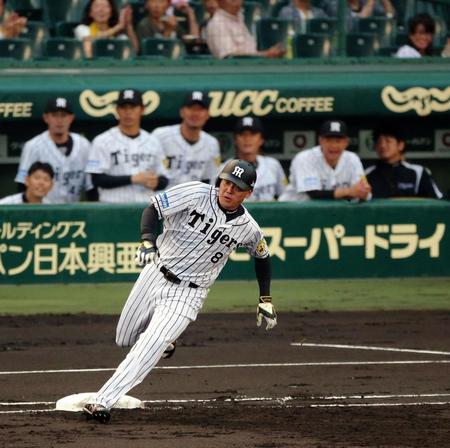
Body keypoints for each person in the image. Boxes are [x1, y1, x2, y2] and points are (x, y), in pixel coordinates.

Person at [82, 159, 277, 423]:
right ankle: (166, 343)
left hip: (188, 294)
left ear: (248, 193)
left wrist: (265, 298)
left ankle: (103, 400)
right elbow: (153, 208)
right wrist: (147, 240)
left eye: (237, 187)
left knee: (149, 345)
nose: (229, 189)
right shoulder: (195, 192)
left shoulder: (248, 228)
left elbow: (262, 256)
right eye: (226, 182)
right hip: (155, 272)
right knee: (124, 338)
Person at [86, 88, 168, 203]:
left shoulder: (153, 141)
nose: (128, 112)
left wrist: (157, 182)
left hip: (145, 205)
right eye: (124, 107)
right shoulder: (102, 141)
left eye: (133, 107)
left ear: (142, 110)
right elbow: (97, 179)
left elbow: (164, 179)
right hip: (112, 205)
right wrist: (133, 179)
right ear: (117, 110)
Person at [15, 97, 95, 204]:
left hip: (74, 209)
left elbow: (91, 186)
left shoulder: (84, 145)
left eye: (63, 115)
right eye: (54, 115)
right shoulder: (33, 146)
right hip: (43, 209)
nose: (59, 120)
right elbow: (22, 184)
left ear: (71, 118)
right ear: (46, 118)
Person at [280, 120, 371, 201]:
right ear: (320, 141)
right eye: (329, 140)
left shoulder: (353, 159)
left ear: (346, 142)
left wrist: (362, 191)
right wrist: (350, 192)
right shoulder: (305, 158)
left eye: (338, 141)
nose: (334, 146)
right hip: (293, 209)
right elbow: (314, 194)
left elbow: (361, 190)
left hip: (331, 211)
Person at [152, 91, 221, 188]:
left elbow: (210, 179)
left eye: (200, 109)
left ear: (207, 114)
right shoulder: (160, 135)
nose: (195, 113)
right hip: (162, 195)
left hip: (194, 196)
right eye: (191, 108)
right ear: (182, 112)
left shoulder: (212, 144)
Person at [365, 126, 443, 199]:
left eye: (388, 141)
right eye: (378, 142)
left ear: (400, 145)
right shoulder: (367, 173)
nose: (382, 145)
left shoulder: (418, 171)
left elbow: (437, 200)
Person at [222, 116, 287, 201]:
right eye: (242, 134)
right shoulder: (224, 168)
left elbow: (285, 196)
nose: (247, 139)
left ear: (261, 140)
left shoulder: (273, 165)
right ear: (235, 140)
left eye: (252, 134)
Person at [206, 0, 284, 59]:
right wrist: (266, 55)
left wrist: (267, 54)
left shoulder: (239, 20)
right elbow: (230, 58)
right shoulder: (217, 23)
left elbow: (250, 52)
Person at [75, 0, 139, 58]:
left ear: (111, 13)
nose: (101, 10)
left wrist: (128, 25)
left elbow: (134, 51)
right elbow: (92, 39)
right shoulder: (82, 29)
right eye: (97, 6)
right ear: (90, 13)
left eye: (105, 6)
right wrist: (119, 26)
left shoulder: (120, 38)